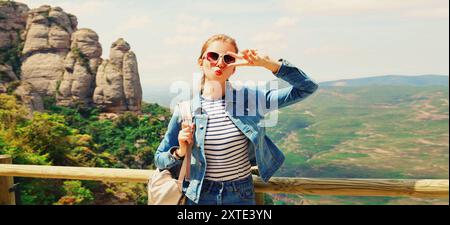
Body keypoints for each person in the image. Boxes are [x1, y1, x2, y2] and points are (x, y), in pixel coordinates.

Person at [155, 34, 319, 205]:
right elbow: (160, 158)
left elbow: (307, 88)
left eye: (228, 58)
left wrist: (267, 64)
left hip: (240, 195)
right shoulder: (185, 110)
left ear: (234, 68)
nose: (219, 63)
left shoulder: (251, 100)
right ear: (201, 61)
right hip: (199, 195)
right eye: (212, 56)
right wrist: (179, 152)